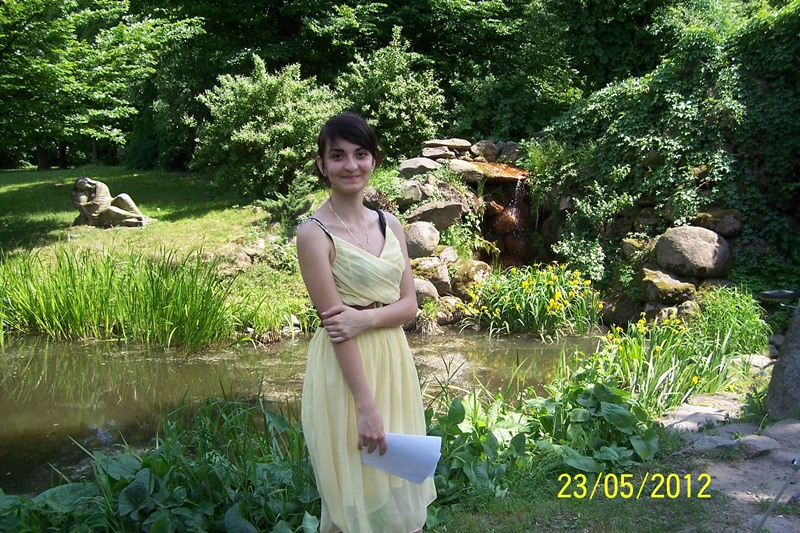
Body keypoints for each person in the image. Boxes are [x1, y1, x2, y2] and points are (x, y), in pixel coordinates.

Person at [297, 112, 436, 533]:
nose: (351, 165)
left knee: (398, 480)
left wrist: (364, 318)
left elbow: (409, 306)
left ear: (374, 159)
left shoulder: (389, 223)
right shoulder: (313, 234)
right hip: (347, 373)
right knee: (351, 495)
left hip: (393, 360)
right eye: (337, 155)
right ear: (322, 165)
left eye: (360, 154)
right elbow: (338, 330)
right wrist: (366, 408)